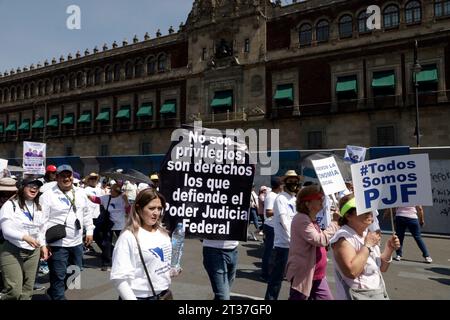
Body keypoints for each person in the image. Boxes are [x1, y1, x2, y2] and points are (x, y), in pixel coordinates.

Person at [40, 165, 94, 300]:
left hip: (76, 242)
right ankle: (58, 296)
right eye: (62, 176)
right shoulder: (48, 195)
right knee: (58, 274)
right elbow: (41, 222)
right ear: (56, 177)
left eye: (68, 175)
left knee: (76, 271)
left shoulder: (80, 193)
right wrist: (43, 244)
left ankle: (54, 292)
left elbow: (87, 213)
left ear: (72, 176)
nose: (66, 178)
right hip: (58, 243)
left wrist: (90, 230)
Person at [330, 194, 400, 300]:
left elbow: (382, 268)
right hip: (358, 295)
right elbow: (352, 272)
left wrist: (389, 249)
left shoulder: (367, 233)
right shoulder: (343, 238)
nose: (369, 212)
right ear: (348, 216)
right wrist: (367, 246)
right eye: (362, 209)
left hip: (377, 293)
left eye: (368, 208)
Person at [110, 188, 172, 300]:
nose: (156, 213)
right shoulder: (128, 237)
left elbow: (159, 265)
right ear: (138, 208)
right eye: (151, 208)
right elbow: (119, 278)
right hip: (139, 296)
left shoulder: (163, 232)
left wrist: (170, 271)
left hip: (164, 294)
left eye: (159, 208)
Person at [285, 185, 339, 300]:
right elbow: (319, 240)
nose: (322, 200)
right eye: (318, 198)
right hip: (304, 274)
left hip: (317, 275)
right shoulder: (301, 219)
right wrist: (334, 223)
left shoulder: (310, 219)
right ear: (307, 203)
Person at [0, 177, 45, 300]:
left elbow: (41, 229)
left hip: (33, 252)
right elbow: (6, 231)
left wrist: (43, 245)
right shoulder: (10, 205)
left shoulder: (38, 206)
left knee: (27, 291)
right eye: (30, 185)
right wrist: (25, 237)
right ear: (22, 187)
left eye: (37, 186)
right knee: (13, 291)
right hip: (12, 251)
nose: (34, 188)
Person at [265, 170, 302, 300]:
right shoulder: (280, 199)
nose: (294, 183)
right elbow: (284, 222)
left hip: (295, 245)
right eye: (290, 181)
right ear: (284, 182)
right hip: (283, 245)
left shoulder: (295, 199)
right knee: (276, 279)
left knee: (295, 280)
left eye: (296, 181)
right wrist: (294, 241)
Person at [89, 184, 130, 270]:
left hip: (120, 225)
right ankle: (106, 263)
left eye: (114, 191)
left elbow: (128, 211)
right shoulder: (106, 198)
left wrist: (126, 201)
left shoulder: (123, 198)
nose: (112, 192)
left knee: (123, 244)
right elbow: (96, 200)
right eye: (111, 190)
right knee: (106, 243)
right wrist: (86, 195)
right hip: (108, 224)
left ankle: (124, 261)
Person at [260, 177, 282, 282]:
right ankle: (265, 274)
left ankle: (268, 272)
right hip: (270, 226)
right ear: (279, 185)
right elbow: (269, 213)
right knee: (269, 251)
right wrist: (281, 210)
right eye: (282, 184)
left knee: (272, 251)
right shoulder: (271, 196)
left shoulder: (276, 196)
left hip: (274, 226)